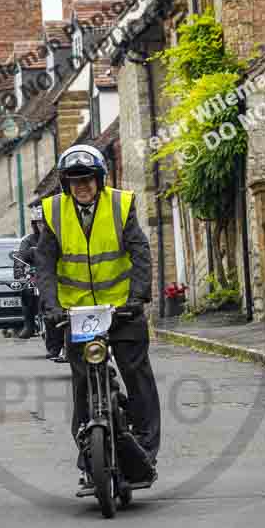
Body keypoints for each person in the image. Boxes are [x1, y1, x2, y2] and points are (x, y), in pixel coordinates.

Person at [35, 145, 161, 484]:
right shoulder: (54, 213)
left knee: (137, 377)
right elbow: (44, 265)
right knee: (82, 385)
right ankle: (89, 456)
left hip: (122, 310)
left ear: (100, 179)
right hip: (77, 315)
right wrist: (51, 306)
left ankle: (146, 451)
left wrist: (138, 297)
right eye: (74, 181)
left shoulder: (121, 205)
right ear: (65, 185)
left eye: (88, 179)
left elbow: (140, 253)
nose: (82, 187)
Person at [15, 206, 43, 340]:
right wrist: (20, 273)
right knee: (27, 290)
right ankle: (29, 324)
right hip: (35, 275)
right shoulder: (28, 240)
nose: (42, 225)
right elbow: (20, 258)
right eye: (39, 223)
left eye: (44, 222)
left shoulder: (56, 237)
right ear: (34, 224)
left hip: (55, 275)